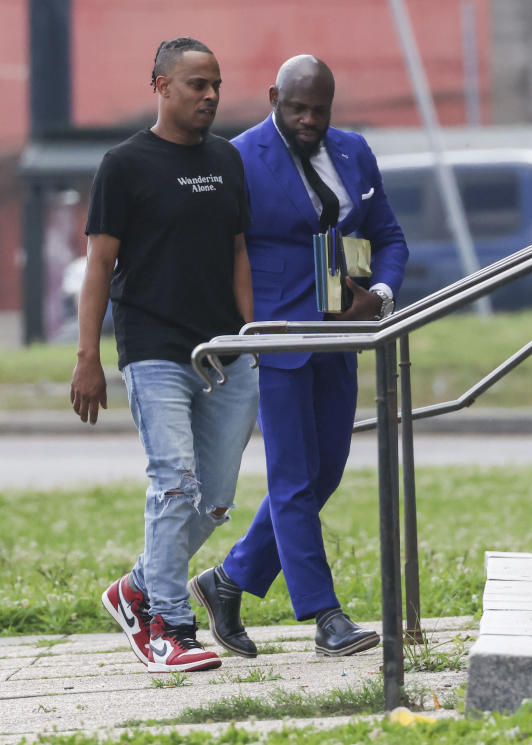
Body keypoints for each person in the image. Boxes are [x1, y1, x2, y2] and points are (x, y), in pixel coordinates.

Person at [189, 55, 408, 659]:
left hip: (343, 335)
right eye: (297, 108)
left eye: (320, 108)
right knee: (291, 478)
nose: (309, 119)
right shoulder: (237, 157)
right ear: (273, 98)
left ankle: (227, 581)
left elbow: (385, 235)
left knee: (324, 472)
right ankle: (324, 616)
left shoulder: (354, 150)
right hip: (278, 335)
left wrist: (379, 296)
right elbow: (215, 250)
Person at [70, 37, 260, 673]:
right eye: (195, 85)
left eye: (215, 86)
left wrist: (252, 333)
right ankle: (169, 627)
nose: (209, 96)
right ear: (160, 85)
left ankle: (136, 588)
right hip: (154, 350)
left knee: (214, 498)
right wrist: (87, 357)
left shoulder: (228, 160)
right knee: (174, 483)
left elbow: (238, 252)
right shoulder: (124, 164)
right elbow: (99, 264)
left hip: (225, 353)